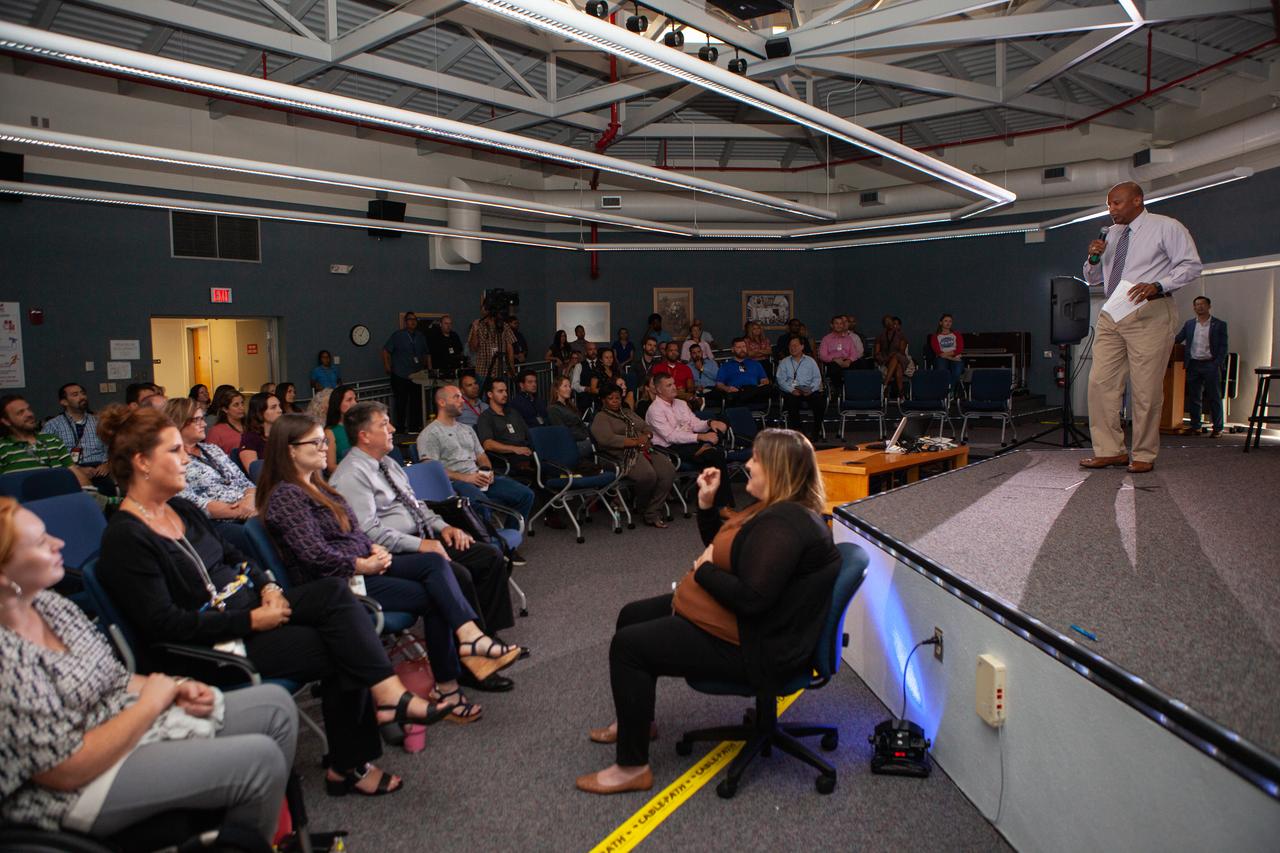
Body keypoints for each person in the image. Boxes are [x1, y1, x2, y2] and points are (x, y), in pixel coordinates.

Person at [95, 405, 450, 798]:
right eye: (175, 452)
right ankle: (351, 761)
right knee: (341, 644)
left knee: (334, 594)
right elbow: (164, 626)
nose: (186, 461)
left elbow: (235, 555)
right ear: (142, 462)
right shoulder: (125, 538)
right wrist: (253, 622)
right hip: (214, 644)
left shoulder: (179, 508)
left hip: (252, 606)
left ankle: (383, 698)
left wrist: (268, 587)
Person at [0, 496, 296, 842]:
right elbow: (66, 770)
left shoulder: (50, 605)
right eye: (40, 542)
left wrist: (176, 685)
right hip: (73, 790)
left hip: (123, 721)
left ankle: (250, 837)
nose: (58, 543)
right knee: (259, 761)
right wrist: (152, 703)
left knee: (275, 706)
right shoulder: (8, 658)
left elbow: (115, 679)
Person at [576, 429, 841, 794]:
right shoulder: (777, 511)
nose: (747, 465)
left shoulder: (785, 525)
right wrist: (706, 504)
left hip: (757, 646)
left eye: (756, 461)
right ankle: (638, 722)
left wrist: (703, 571)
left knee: (628, 646)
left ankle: (632, 768)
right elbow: (727, 550)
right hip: (754, 626)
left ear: (778, 470)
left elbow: (751, 598)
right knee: (632, 615)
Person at [260, 415, 522, 720]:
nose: (325, 448)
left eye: (324, 440)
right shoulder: (287, 496)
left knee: (439, 568)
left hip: (365, 564)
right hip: (339, 583)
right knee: (439, 582)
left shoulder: (320, 487)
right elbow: (315, 555)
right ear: (290, 450)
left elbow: (356, 532)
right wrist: (363, 562)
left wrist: (373, 550)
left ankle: (463, 656)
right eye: (316, 442)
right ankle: (459, 666)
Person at [331, 402, 517, 644]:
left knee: (488, 556)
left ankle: (489, 636)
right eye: (384, 424)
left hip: (422, 537)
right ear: (364, 436)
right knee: (458, 574)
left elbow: (417, 506)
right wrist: (421, 545)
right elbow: (369, 532)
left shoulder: (388, 463)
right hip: (391, 552)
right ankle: (471, 648)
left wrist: (444, 528)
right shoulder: (351, 475)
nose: (393, 429)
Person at [1081, 181, 1202, 473]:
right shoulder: (1109, 234)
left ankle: (1144, 453)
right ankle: (1110, 450)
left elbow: (1191, 266)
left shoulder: (1166, 227)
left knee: (1146, 388)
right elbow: (1092, 278)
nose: (1112, 210)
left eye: (1117, 203)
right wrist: (1093, 257)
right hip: (1113, 311)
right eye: (1109, 204)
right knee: (1100, 383)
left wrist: (1158, 284)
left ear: (1137, 200)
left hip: (1151, 309)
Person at [419, 386, 535, 552]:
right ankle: (489, 548)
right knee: (481, 503)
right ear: (442, 402)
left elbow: (481, 456)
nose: (462, 401)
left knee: (525, 495)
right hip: (454, 484)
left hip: (478, 478)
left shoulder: (466, 429)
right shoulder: (430, 433)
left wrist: (487, 471)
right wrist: (466, 478)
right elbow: (430, 469)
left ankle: (505, 544)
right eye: (457, 397)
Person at [591, 385, 675, 529]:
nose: (615, 401)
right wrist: (635, 441)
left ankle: (652, 510)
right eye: (610, 398)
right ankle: (644, 506)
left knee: (668, 471)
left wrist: (646, 436)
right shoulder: (601, 417)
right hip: (621, 454)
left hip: (645, 448)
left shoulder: (628, 412)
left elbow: (646, 427)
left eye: (617, 398)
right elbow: (607, 439)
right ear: (603, 400)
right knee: (648, 475)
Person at [163, 398, 256, 524]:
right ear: (178, 422)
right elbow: (193, 504)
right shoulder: (170, 460)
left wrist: (250, 500)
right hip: (218, 523)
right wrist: (242, 511)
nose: (204, 424)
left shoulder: (212, 449)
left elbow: (246, 483)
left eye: (203, 419)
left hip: (251, 510)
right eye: (197, 420)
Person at [646, 374, 733, 508]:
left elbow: (695, 423)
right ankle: (723, 505)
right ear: (658, 390)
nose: (674, 387)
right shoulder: (654, 410)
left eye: (674, 383)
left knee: (722, 420)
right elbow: (670, 436)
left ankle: (706, 446)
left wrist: (710, 423)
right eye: (669, 385)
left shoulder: (681, 403)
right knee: (715, 454)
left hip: (690, 441)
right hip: (671, 449)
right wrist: (700, 437)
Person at [0, 395, 91, 487]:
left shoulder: (52, 440)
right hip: (25, 499)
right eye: (20, 412)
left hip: (62, 495)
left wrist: (90, 493)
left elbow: (74, 472)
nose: (29, 414)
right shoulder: (3, 447)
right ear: (6, 421)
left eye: (29, 409)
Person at [1174, 296, 1228, 437]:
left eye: (1202, 304)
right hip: (1193, 364)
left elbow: (1223, 347)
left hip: (1210, 364)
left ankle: (1218, 428)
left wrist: (1217, 363)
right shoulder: (1190, 324)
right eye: (1197, 304)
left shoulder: (1219, 324)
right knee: (1194, 397)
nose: (1199, 307)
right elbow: (1178, 339)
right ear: (1194, 307)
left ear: (1209, 306)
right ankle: (1195, 426)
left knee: (1214, 397)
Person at [40, 383, 111, 489]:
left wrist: (108, 464)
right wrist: (76, 469)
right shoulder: (53, 425)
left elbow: (112, 447)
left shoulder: (98, 421)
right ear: (64, 402)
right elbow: (46, 456)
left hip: (98, 470)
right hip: (68, 470)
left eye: (83, 393)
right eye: (75, 394)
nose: (82, 397)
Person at [474, 378, 533, 475]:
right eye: (500, 391)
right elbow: (488, 444)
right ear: (490, 395)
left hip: (526, 453)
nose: (505, 394)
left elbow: (528, 434)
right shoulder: (485, 417)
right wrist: (514, 449)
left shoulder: (513, 412)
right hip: (506, 459)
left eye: (505, 391)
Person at [383, 312, 428, 433]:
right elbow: (386, 351)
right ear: (405, 322)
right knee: (401, 403)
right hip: (400, 374)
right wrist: (387, 366)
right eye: (410, 319)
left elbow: (426, 353)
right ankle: (401, 428)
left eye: (415, 319)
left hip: (417, 375)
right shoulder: (398, 335)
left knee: (416, 402)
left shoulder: (420, 336)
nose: (413, 322)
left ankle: (414, 427)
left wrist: (427, 368)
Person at [776, 336, 826, 441]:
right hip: (793, 391)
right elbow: (780, 380)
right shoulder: (784, 362)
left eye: (795, 345)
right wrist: (792, 390)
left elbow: (817, 378)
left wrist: (811, 390)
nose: (792, 348)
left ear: (802, 347)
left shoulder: (810, 361)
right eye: (790, 346)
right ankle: (799, 433)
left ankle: (816, 431)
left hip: (809, 390)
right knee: (791, 402)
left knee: (820, 401)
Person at [714, 338, 772, 408]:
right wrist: (727, 388)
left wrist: (764, 382)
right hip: (737, 392)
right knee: (732, 396)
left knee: (769, 388)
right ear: (733, 349)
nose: (742, 349)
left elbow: (764, 379)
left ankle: (744, 396)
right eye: (739, 347)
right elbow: (719, 384)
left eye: (744, 347)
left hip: (755, 392)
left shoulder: (755, 364)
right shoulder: (726, 366)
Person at [236, 392, 282, 473]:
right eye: (273, 407)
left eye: (279, 406)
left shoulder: (283, 433)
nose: (280, 410)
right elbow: (255, 472)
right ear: (260, 412)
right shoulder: (250, 438)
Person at [548, 377, 594, 459]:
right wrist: (585, 437)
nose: (569, 389)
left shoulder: (570, 406)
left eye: (569, 386)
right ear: (556, 390)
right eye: (565, 386)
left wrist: (589, 435)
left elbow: (581, 424)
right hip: (572, 444)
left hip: (584, 438)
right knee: (602, 443)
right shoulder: (553, 409)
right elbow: (563, 432)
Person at [468, 308, 516, 382]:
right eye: (484, 309)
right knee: (483, 393)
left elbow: (510, 348)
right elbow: (472, 348)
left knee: (500, 392)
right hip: (483, 370)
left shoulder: (504, 325)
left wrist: (511, 368)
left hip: (500, 370)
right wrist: (475, 330)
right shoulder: (478, 325)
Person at [818, 314, 864, 390]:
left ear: (843, 326)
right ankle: (840, 390)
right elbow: (822, 356)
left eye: (841, 323)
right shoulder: (826, 339)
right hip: (833, 362)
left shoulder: (848, 339)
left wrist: (849, 361)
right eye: (836, 323)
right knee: (833, 368)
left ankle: (854, 389)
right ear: (832, 325)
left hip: (847, 362)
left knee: (860, 363)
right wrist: (834, 359)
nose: (839, 326)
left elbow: (854, 353)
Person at [324, 385, 358, 475]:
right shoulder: (330, 432)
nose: (355, 403)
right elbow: (330, 467)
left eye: (355, 399)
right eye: (349, 400)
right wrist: (357, 472)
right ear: (338, 404)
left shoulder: (361, 425)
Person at [874, 315, 910, 398]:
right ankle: (901, 394)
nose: (889, 324)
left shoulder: (901, 336)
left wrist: (891, 355)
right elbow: (876, 353)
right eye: (886, 322)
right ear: (884, 325)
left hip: (901, 358)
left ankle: (885, 384)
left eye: (890, 322)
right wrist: (883, 358)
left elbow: (901, 352)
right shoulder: (880, 336)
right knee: (898, 368)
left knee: (896, 356)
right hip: (886, 360)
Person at [205, 387, 245, 457]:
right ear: (225, 409)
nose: (241, 408)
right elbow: (211, 457)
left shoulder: (250, 426)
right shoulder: (216, 431)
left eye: (242, 403)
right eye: (236, 405)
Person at [928, 314, 965, 388]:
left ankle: (950, 390)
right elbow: (938, 352)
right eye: (946, 321)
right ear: (940, 323)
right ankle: (943, 390)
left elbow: (959, 349)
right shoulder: (935, 336)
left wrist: (947, 355)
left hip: (955, 356)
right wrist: (951, 358)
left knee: (957, 371)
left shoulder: (957, 334)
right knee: (942, 370)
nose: (948, 323)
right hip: (942, 358)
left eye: (950, 321)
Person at [570, 342, 603, 411]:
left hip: (601, 397)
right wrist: (585, 388)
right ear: (585, 352)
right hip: (585, 397)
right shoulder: (579, 366)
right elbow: (574, 385)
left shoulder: (602, 364)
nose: (593, 352)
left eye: (595, 349)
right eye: (590, 349)